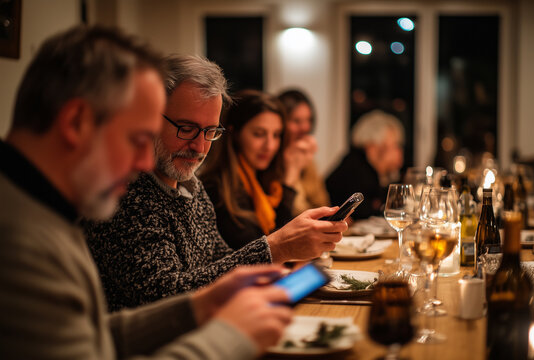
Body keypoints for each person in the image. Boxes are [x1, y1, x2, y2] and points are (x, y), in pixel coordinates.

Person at [0, 25, 295, 360]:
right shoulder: (19, 243)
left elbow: (92, 336)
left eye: (209, 131)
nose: (143, 162)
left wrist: (199, 307)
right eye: (137, 138)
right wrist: (232, 335)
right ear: (76, 122)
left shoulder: (41, 209)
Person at [83, 55, 347, 311]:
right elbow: (165, 299)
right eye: (186, 128)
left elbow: (221, 262)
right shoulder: (125, 194)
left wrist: (281, 260)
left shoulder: (192, 187)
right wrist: (275, 248)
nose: (199, 146)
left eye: (210, 131)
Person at [200, 90, 296, 249]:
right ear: (234, 133)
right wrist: (289, 182)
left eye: (276, 135)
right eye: (259, 134)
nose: (270, 146)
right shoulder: (215, 188)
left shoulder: (265, 181)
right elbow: (261, 250)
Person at [326, 110, 404, 220]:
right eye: (394, 145)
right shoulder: (355, 167)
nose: (398, 152)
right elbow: (363, 212)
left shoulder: (367, 168)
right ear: (373, 145)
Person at [278, 89, 330, 215]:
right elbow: (283, 215)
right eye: (296, 121)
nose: (306, 127)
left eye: (309, 120)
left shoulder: (307, 159)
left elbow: (322, 203)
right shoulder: (269, 160)